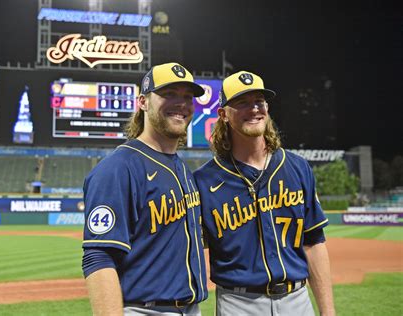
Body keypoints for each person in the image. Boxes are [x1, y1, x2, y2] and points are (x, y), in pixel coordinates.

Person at [194, 71, 335, 316]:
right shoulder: (204, 181)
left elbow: (313, 243)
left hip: (297, 300)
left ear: (267, 108)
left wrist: (328, 312)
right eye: (242, 103)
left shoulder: (297, 167)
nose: (253, 109)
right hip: (238, 303)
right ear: (223, 114)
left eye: (259, 101)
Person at [82, 62, 208, 315]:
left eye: (187, 96)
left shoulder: (182, 167)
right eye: (169, 94)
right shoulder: (118, 168)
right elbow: (99, 256)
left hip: (191, 309)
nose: (181, 103)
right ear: (143, 102)